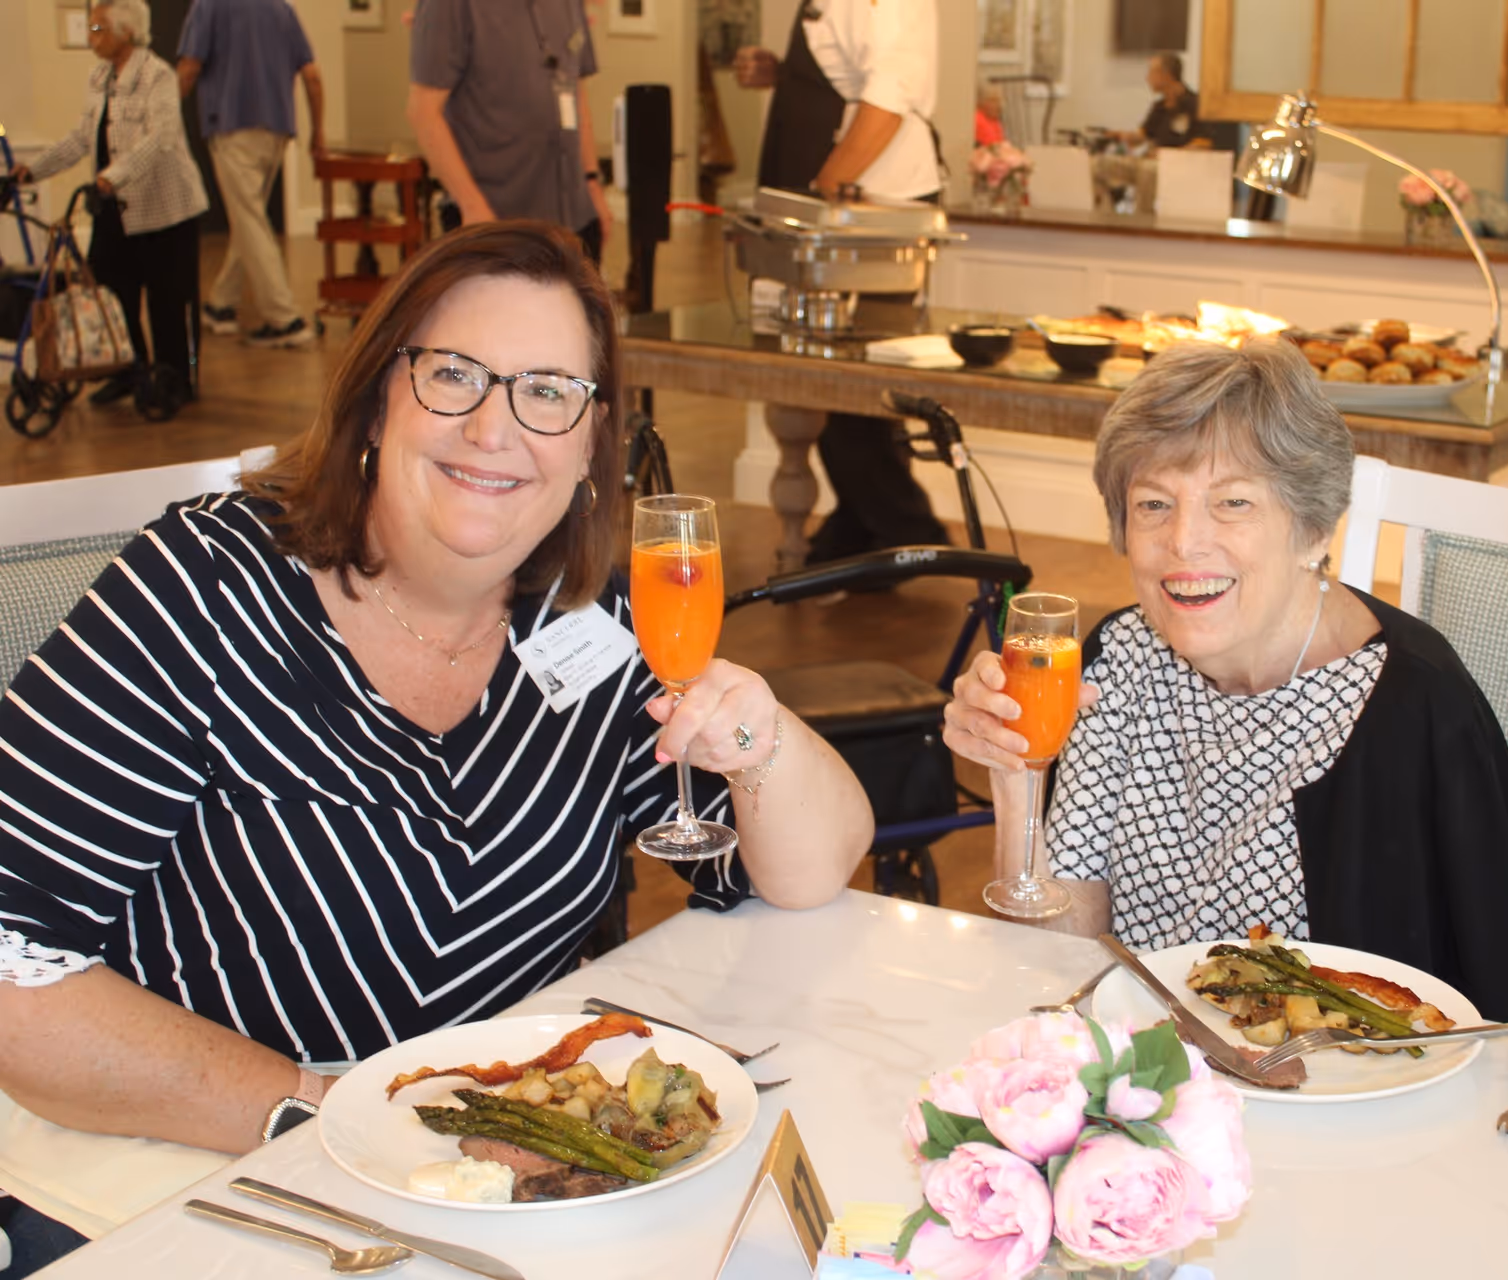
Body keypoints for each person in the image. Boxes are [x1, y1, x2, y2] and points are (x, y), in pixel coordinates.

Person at [0, 224, 872, 1232]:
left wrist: (758, 742)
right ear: (377, 395)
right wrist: (319, 1114)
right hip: (205, 1172)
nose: (495, 428)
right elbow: (14, 959)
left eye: (548, 391)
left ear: (591, 445)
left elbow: (805, 872)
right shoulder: (206, 588)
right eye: (454, 374)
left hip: (490, 1174)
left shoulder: (581, 619)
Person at [942, 340, 1508, 1030]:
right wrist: (1015, 773)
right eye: (1153, 505)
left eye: (1232, 502)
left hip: (1346, 1098)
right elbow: (1060, 956)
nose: (1184, 541)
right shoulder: (1121, 657)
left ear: (1313, 529)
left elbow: (1493, 1003)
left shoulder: (1413, 711)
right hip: (1155, 1081)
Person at [733, 0, 950, 563]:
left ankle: (910, 535)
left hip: (870, 207)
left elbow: (887, 98)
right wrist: (786, 74)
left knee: (850, 387)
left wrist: (825, 186)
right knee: (836, 384)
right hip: (846, 205)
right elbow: (856, 63)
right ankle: (863, 531)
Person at [7, 0, 207, 419]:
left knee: (167, 301)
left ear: (127, 32)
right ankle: (128, 370)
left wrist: (110, 177)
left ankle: (175, 380)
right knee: (113, 293)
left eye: (98, 29)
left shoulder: (157, 76)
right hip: (114, 210)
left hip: (166, 212)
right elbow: (80, 137)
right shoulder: (99, 77)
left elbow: (161, 138)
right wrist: (31, 171)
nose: (90, 37)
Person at [406, 0, 613, 263]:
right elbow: (423, 112)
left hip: (575, 217)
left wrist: (592, 184)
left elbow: (576, 94)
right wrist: (473, 209)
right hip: (495, 221)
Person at [175, 0, 326, 349]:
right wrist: (318, 131)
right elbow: (313, 77)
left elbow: (189, 68)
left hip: (232, 127)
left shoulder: (209, 5)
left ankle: (284, 318)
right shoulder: (281, 9)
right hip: (276, 130)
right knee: (249, 218)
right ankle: (220, 305)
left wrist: (159, 116)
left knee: (250, 220)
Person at [975, 82, 1006, 147]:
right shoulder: (977, 120)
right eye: (993, 100)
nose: (999, 105)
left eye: (999, 100)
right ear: (981, 102)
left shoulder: (994, 120)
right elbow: (992, 148)